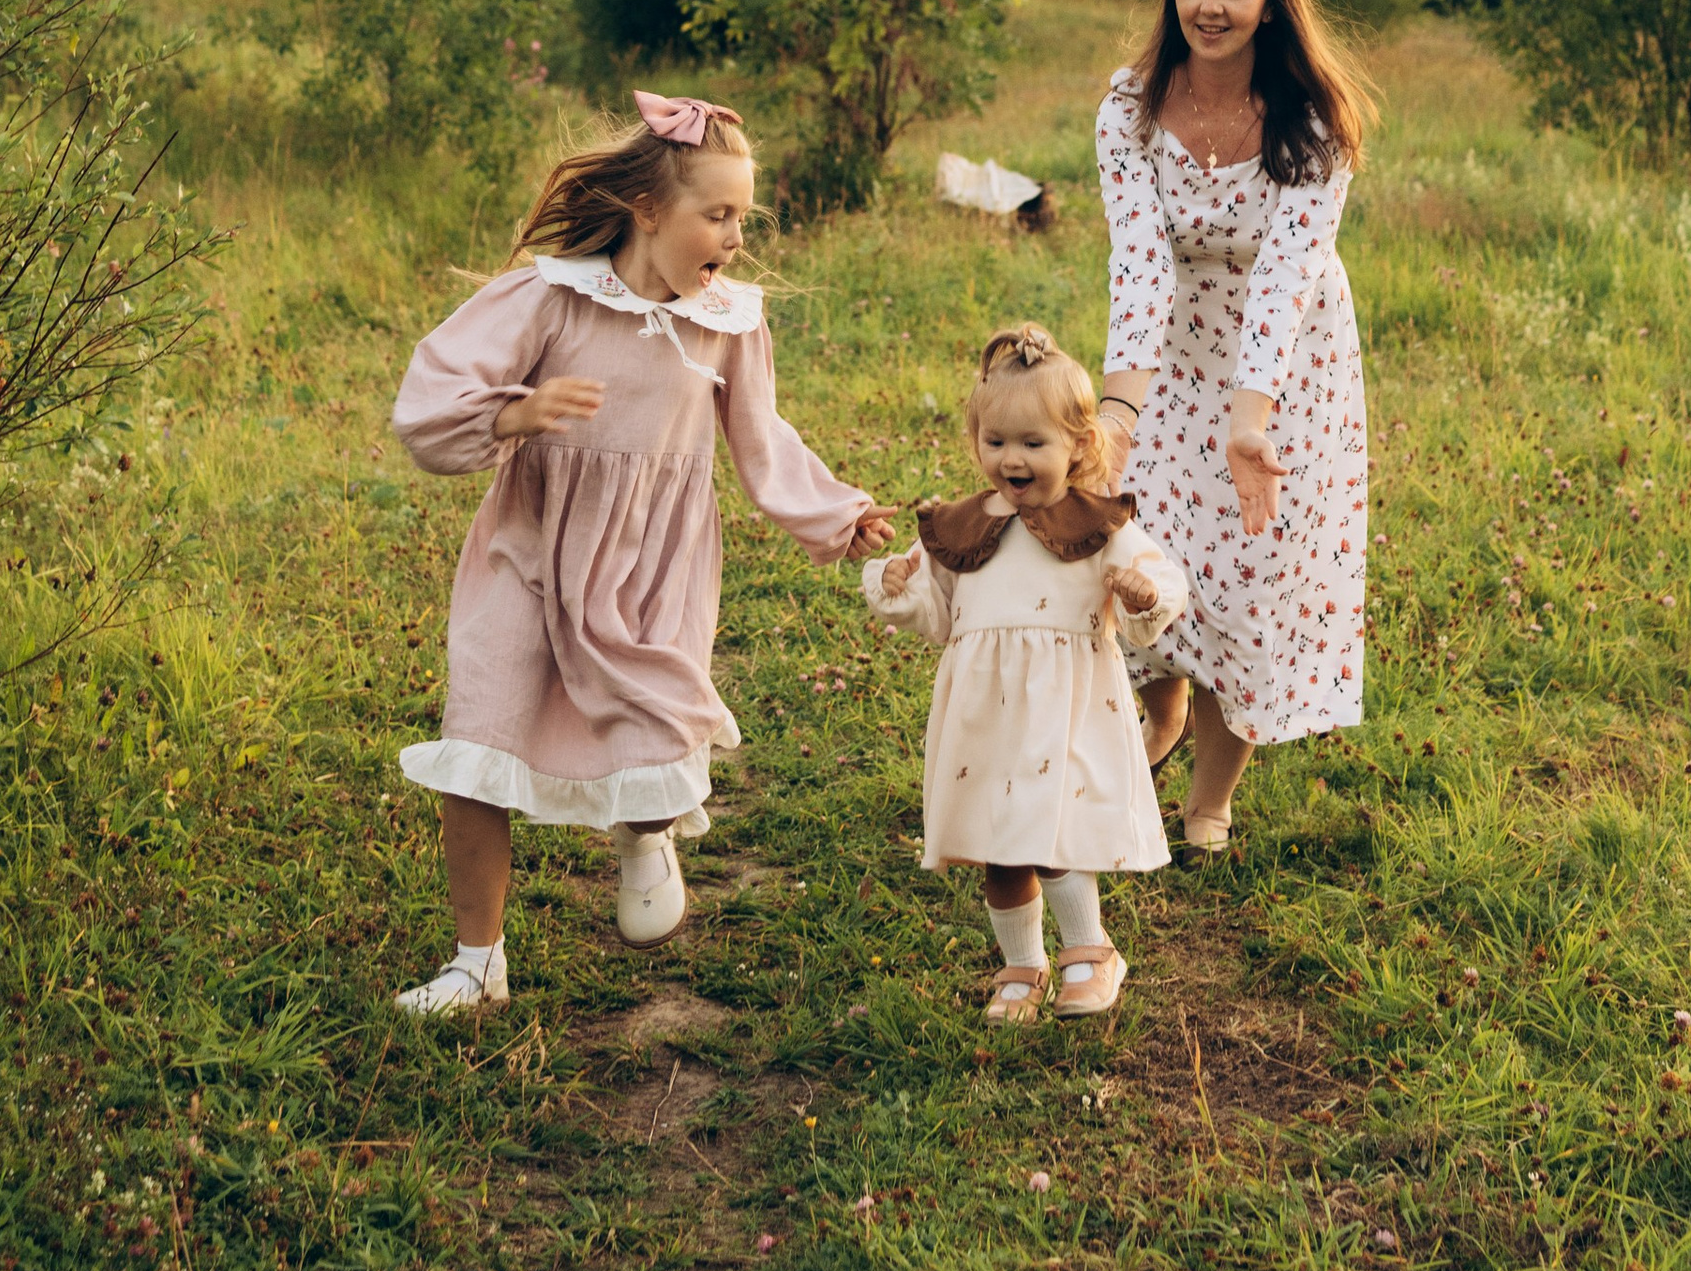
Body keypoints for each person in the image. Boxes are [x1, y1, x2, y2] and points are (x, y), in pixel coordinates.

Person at [390, 91, 895, 1015]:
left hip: (651, 562)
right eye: (719, 215)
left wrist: (834, 512)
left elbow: (761, 435)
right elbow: (429, 405)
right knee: (479, 731)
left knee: (652, 721)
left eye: (744, 217)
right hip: (534, 547)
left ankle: (645, 833)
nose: (737, 237)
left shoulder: (729, 321)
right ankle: (476, 962)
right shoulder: (551, 297)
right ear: (648, 210)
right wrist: (516, 414)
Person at [1094, 0, 1372, 851]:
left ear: (1270, 4)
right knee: (1152, 547)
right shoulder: (1128, 108)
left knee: (1250, 571)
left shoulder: (1313, 119)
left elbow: (1287, 279)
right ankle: (1160, 709)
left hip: (1286, 361)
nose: (1209, 6)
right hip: (1169, 353)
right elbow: (1140, 268)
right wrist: (1117, 419)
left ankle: (1209, 798)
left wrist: (1249, 418)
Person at [863, 326, 1189, 1022]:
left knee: (1051, 833)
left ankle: (1091, 951)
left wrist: (1143, 593)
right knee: (999, 846)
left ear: (1078, 445)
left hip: (1063, 707)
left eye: (1032, 444)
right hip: (986, 713)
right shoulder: (961, 524)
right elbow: (937, 611)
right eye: (996, 441)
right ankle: (1022, 965)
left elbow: (1162, 582)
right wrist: (898, 584)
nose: (1011, 459)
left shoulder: (1097, 524)